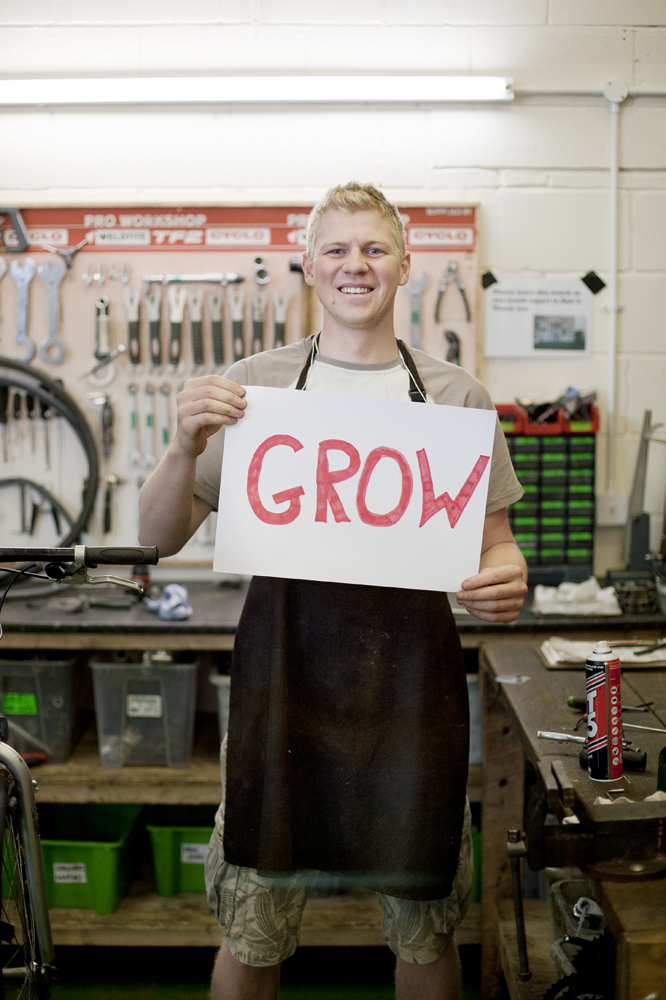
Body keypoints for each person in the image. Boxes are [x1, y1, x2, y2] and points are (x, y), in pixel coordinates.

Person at [139, 182, 527, 1000]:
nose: (358, 265)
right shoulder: (255, 391)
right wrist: (181, 445)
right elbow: (154, 541)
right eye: (338, 250)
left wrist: (504, 581)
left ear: (405, 266)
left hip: (410, 704)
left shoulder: (457, 399)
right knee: (253, 928)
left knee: (425, 930)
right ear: (309, 266)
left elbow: (496, 547)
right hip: (282, 692)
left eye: (375, 249)